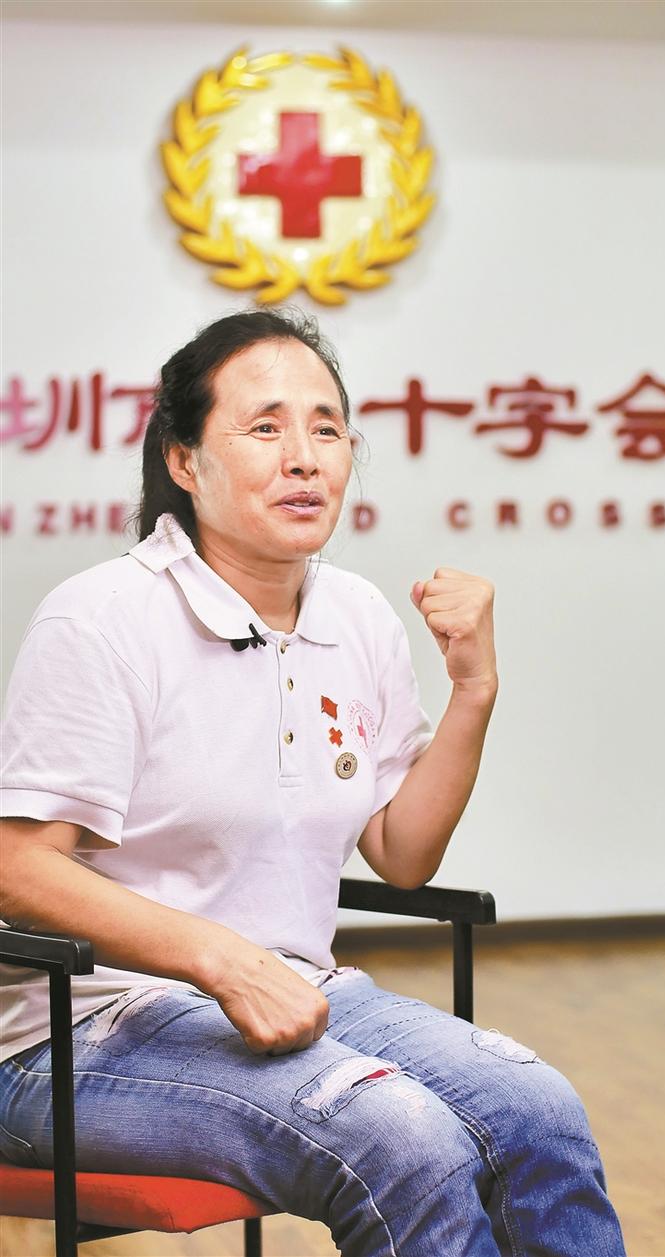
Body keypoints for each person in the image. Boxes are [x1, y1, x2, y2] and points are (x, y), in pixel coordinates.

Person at [0, 308, 626, 1256]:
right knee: (404, 1141)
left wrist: (474, 689)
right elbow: (16, 869)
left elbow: (403, 855)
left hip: (304, 992)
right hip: (82, 1033)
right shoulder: (102, 618)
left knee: (539, 1110)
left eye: (327, 428)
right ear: (182, 459)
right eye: (265, 427)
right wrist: (223, 958)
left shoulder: (357, 615)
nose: (305, 458)